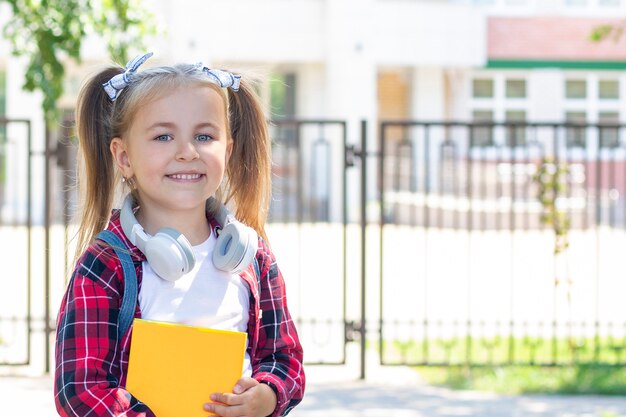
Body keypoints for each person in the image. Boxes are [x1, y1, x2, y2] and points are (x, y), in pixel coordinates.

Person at [54, 52, 305, 417]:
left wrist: (267, 395)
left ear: (228, 150)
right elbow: (79, 391)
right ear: (123, 157)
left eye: (204, 135)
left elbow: (285, 359)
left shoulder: (253, 258)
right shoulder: (105, 266)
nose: (187, 152)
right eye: (163, 136)